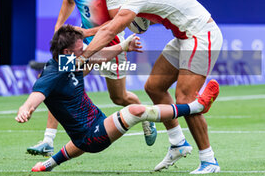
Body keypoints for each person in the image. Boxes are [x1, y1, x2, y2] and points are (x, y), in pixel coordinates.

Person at [78, 0, 223, 174]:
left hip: (201, 35)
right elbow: (158, 11)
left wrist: (83, 57)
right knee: (154, 87)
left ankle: (209, 161)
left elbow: (110, 30)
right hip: (184, 36)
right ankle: (178, 143)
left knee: (185, 97)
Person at [15, 25, 220, 172]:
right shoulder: (53, 72)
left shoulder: (68, 60)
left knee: (81, 139)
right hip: (92, 135)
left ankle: (48, 164)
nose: (85, 50)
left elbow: (96, 56)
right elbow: (37, 94)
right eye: (81, 49)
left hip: (89, 131)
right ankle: (196, 106)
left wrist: (123, 46)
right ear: (68, 51)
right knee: (135, 111)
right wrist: (26, 108)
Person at [27, 0, 156, 156]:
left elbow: (116, 23)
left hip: (111, 45)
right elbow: (68, 0)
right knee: (60, 81)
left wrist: (86, 31)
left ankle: (145, 116)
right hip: (84, 46)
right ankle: (48, 140)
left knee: (119, 97)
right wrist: (58, 27)